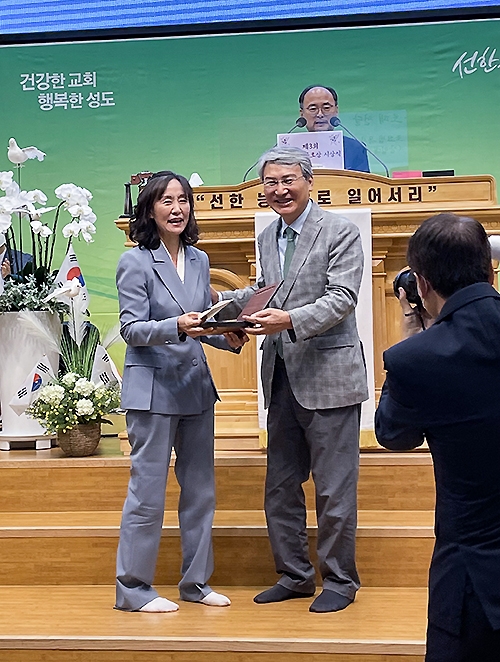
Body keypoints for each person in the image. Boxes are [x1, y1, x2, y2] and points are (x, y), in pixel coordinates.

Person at [216, 146, 368, 613]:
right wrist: (226, 311)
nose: (278, 190)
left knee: (333, 488)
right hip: (281, 376)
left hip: (330, 375)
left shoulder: (339, 230)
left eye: (287, 180)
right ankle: (295, 575)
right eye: (270, 182)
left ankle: (340, 581)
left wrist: (289, 321)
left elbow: (343, 298)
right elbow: (269, 289)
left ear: (308, 182)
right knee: (280, 486)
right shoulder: (267, 234)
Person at [115, 170, 247, 613]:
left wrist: (224, 334)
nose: (177, 208)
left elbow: (201, 322)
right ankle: (134, 590)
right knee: (147, 495)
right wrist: (177, 325)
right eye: (167, 201)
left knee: (201, 492)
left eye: (184, 200)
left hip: (194, 389)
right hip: (152, 392)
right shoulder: (135, 261)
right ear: (149, 209)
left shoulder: (200, 259)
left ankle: (195, 584)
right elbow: (131, 330)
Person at [375, 213, 500, 661]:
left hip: (471, 575)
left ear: (422, 284)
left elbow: (393, 434)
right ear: (489, 269)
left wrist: (412, 335)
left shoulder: (417, 359)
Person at [298, 85, 370, 173]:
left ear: (336, 111)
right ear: (302, 114)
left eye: (326, 108)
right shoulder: (286, 149)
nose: (320, 114)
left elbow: (364, 184)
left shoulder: (355, 148)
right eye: (313, 109)